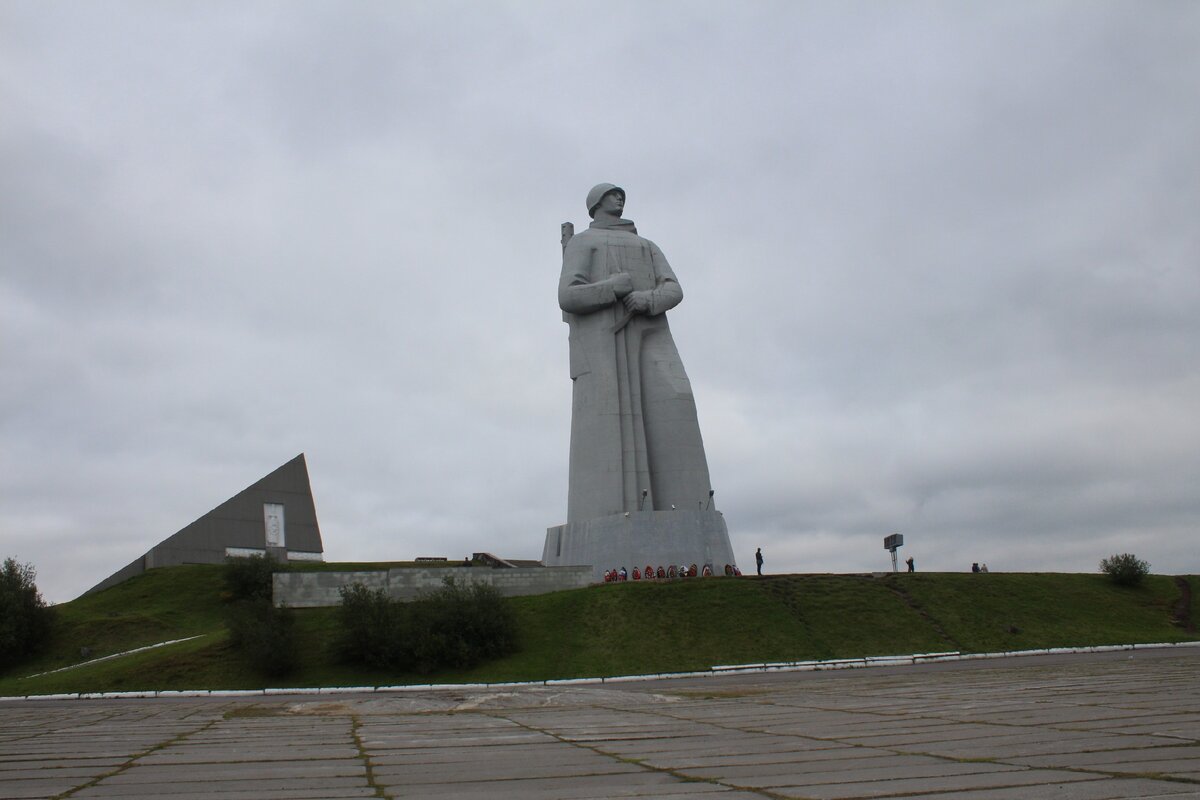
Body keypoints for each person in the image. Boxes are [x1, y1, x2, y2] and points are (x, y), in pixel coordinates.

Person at [559, 184, 715, 522]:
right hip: (604, 344)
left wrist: (648, 299)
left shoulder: (647, 246)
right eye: (612, 195)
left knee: (677, 400)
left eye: (621, 195)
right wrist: (611, 288)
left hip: (652, 332)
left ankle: (691, 512)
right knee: (611, 428)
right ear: (596, 204)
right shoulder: (584, 243)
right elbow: (568, 296)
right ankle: (614, 511)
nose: (620, 198)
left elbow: (673, 287)